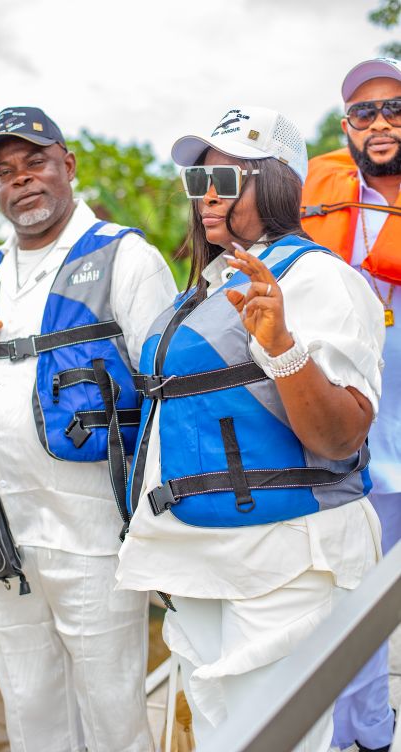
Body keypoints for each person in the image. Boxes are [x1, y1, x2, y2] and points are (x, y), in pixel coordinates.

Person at [115, 105, 385, 752]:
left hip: (281, 557)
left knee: (273, 737)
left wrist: (282, 345)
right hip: (197, 551)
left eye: (227, 180)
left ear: (279, 183)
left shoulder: (321, 278)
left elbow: (341, 436)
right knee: (217, 729)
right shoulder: (207, 287)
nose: (207, 197)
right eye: (198, 181)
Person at [0, 106, 177, 752]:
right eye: (4, 172)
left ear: (67, 165)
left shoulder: (127, 257)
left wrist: (162, 525)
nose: (21, 179)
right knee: (29, 709)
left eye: (35, 162)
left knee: (113, 712)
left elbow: (169, 391)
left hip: (94, 534)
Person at [301, 58, 401, 752]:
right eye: (364, 112)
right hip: (355, 444)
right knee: (353, 602)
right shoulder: (319, 201)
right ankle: (364, 736)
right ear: (346, 127)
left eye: (395, 108)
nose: (381, 123)